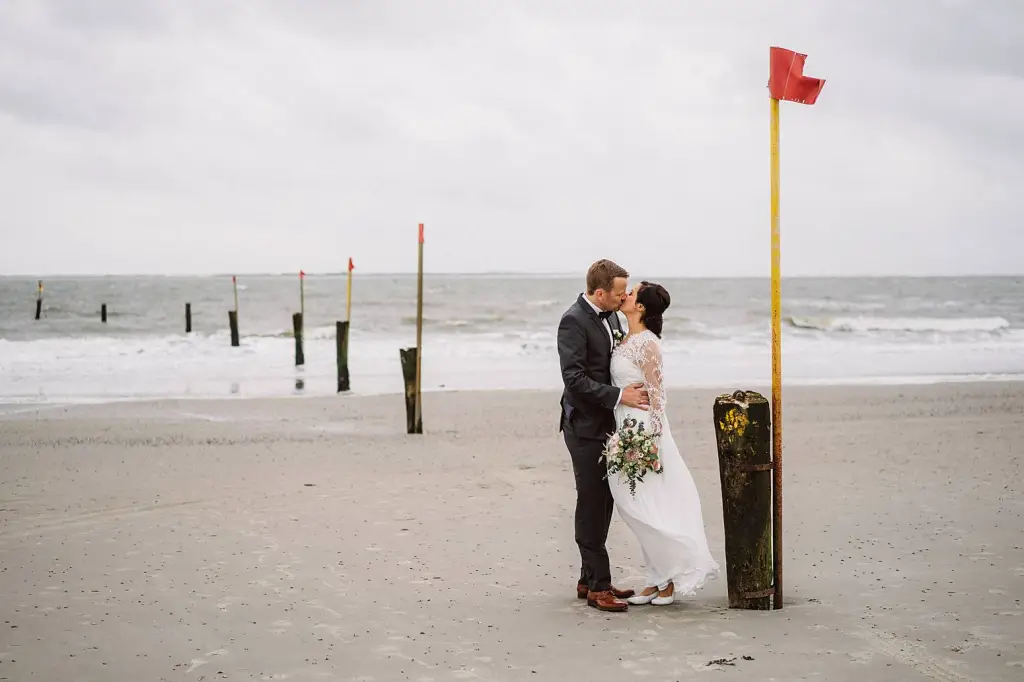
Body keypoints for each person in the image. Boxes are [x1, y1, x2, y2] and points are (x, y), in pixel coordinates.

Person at [609, 281, 720, 606]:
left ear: (641, 307)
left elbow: (658, 396)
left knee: (648, 503)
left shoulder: (647, 344)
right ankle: (656, 579)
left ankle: (665, 581)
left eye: (632, 293)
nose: (626, 294)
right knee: (634, 504)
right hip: (624, 425)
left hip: (643, 429)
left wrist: (654, 442)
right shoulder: (624, 338)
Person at [557, 259, 650, 613]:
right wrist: (619, 396)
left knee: (604, 499)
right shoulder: (573, 321)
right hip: (583, 426)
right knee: (592, 501)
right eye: (619, 292)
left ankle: (587, 578)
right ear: (600, 293)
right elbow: (574, 379)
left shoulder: (610, 316)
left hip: (607, 423)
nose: (624, 297)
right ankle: (599, 586)